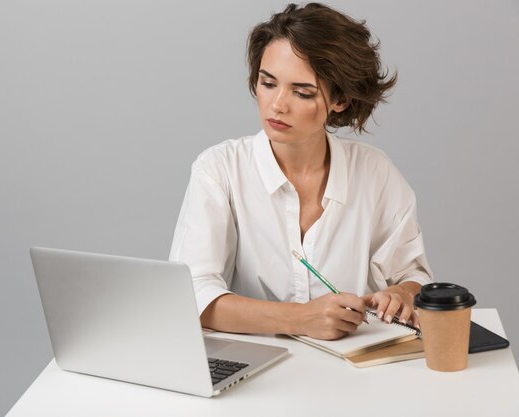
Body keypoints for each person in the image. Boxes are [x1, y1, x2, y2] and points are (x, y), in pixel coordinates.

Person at [169, 2, 433, 341]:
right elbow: (193, 294)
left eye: (302, 92)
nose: (278, 104)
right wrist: (298, 319)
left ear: (340, 100)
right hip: (260, 371)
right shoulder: (219, 169)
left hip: (361, 371)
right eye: (268, 83)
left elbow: (414, 275)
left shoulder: (375, 172)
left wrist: (402, 295)